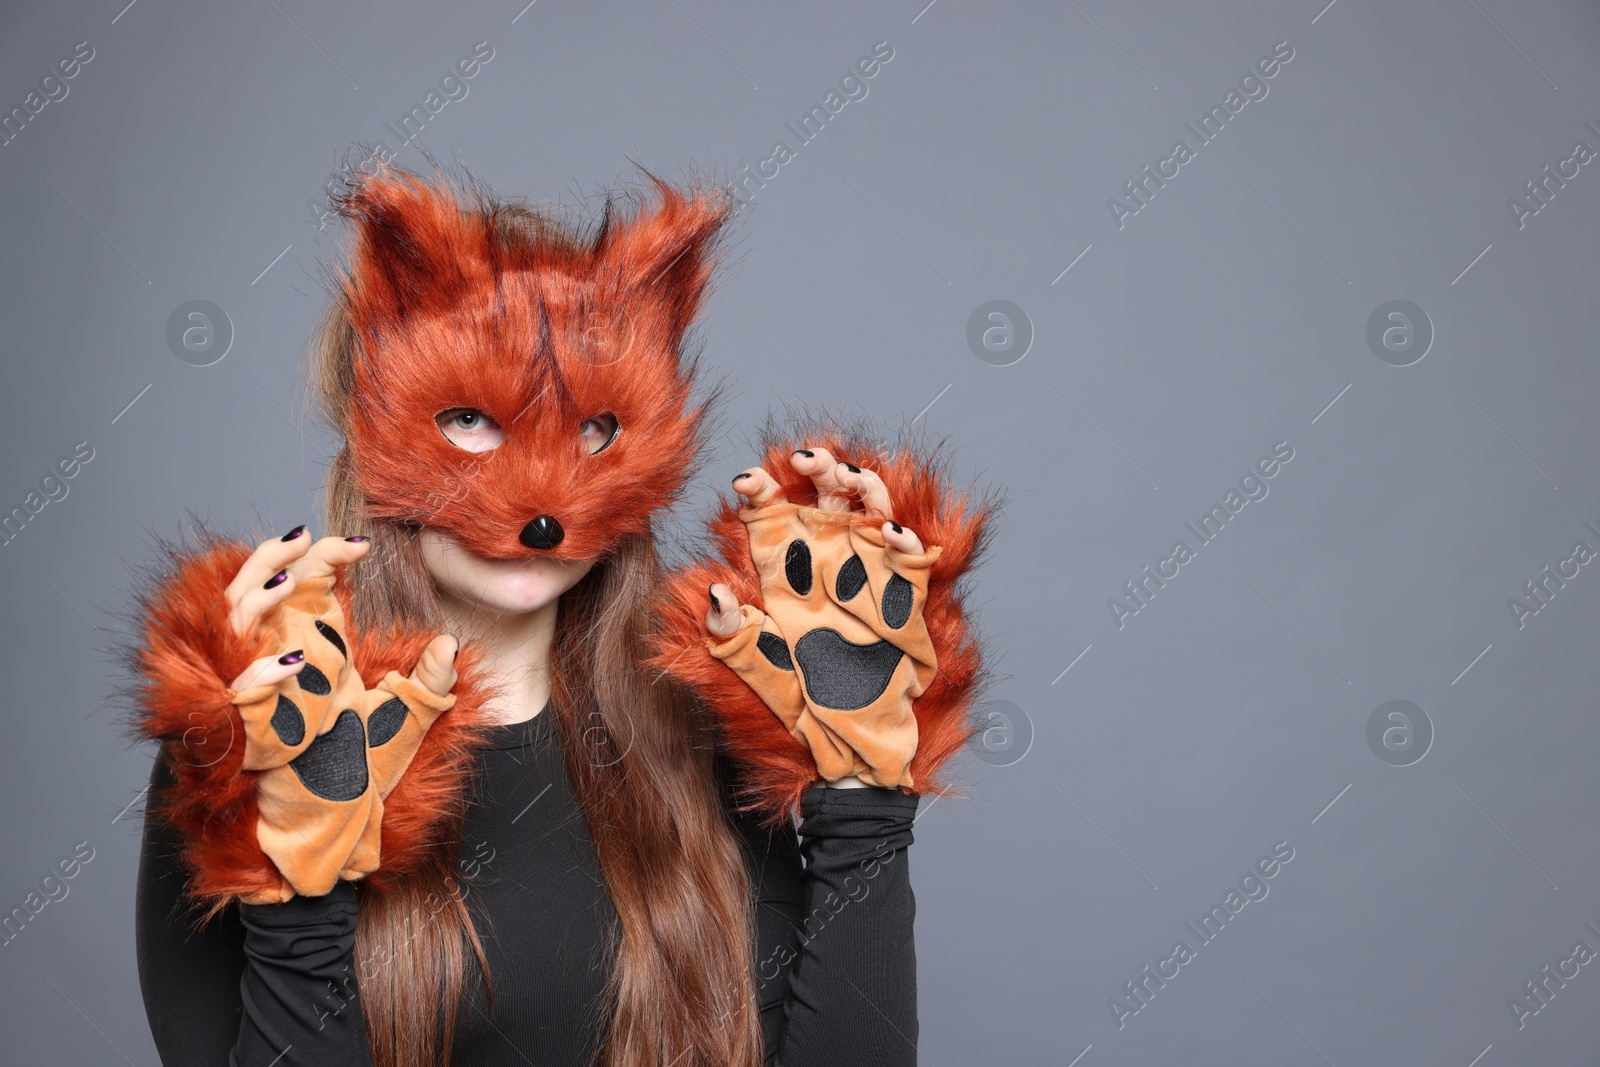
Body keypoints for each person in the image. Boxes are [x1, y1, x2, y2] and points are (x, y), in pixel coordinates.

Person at [124, 157, 999, 1067]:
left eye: (591, 430)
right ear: (368, 422)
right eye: (474, 420)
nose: (542, 504)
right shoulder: (263, 729)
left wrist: (862, 794)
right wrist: (298, 886)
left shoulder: (731, 716)